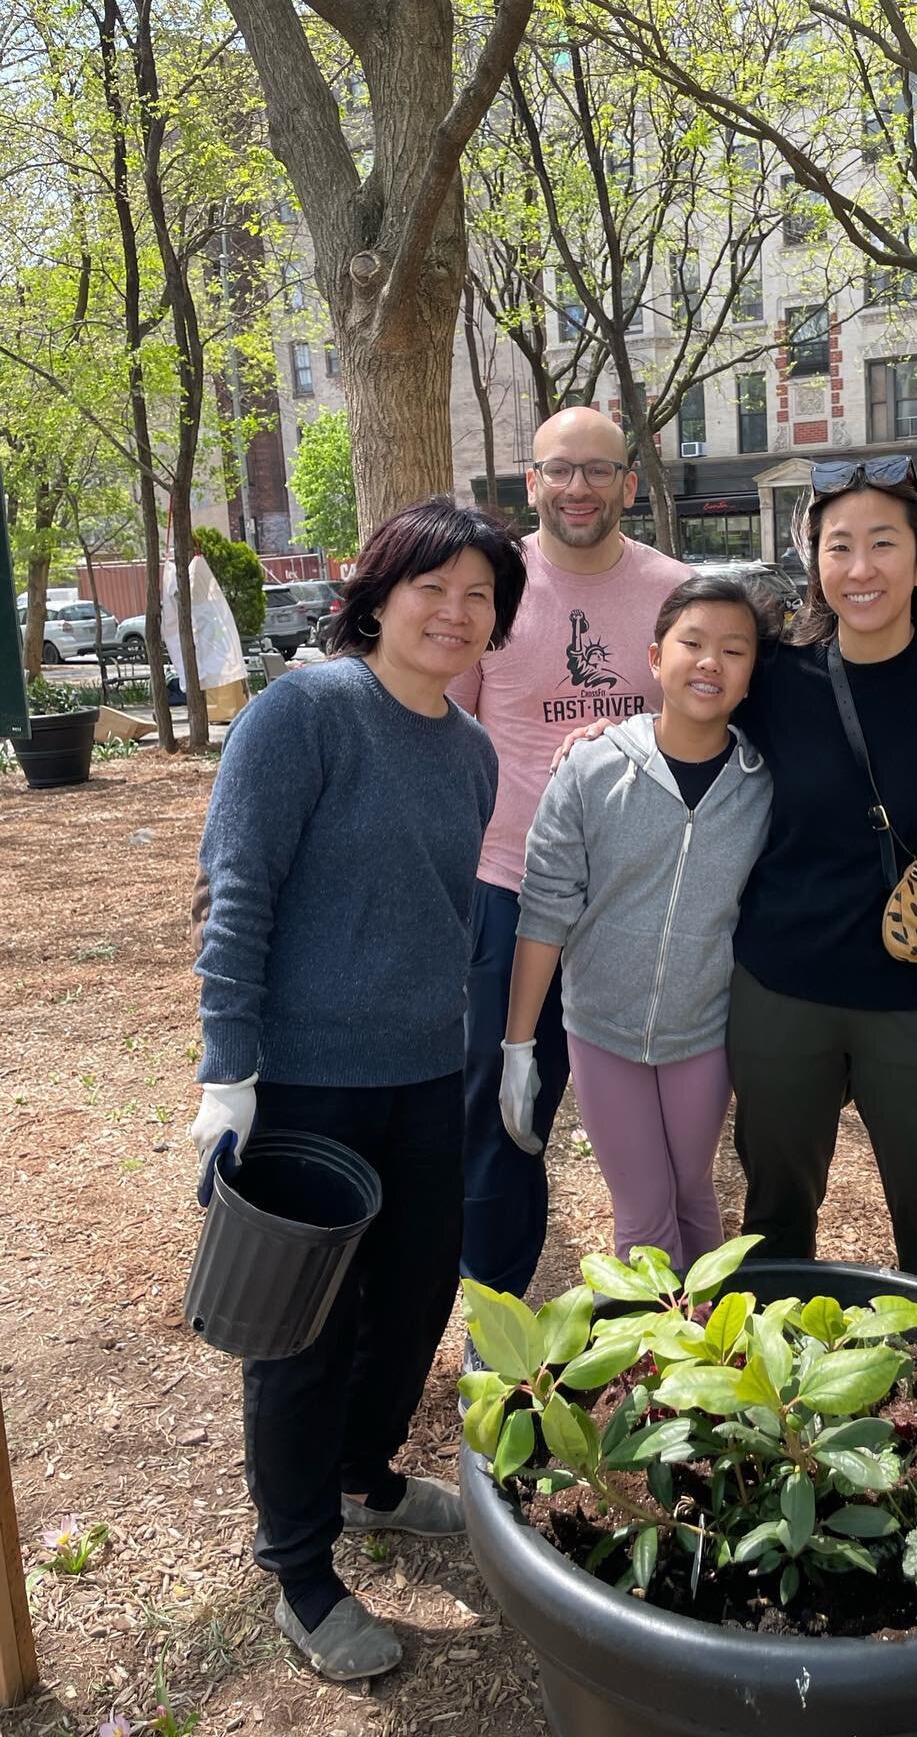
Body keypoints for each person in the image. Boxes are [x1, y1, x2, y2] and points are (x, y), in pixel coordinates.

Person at [189, 498, 528, 1680]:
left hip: (431, 1076)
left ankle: (364, 1476)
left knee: (416, 1301)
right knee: (301, 1338)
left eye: (479, 595)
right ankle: (300, 1566)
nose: (454, 611)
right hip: (307, 1090)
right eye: (432, 585)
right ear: (379, 594)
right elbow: (238, 893)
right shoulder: (304, 715)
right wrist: (228, 1073)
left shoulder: (471, 752)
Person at [727, 455, 917, 1290]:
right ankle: (767, 1399)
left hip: (914, 997)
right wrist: (599, 740)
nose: (860, 569)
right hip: (780, 988)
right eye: (839, 547)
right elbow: (679, 731)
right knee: (775, 1213)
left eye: (883, 544)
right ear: (814, 564)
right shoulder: (773, 680)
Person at [447, 407, 690, 1292]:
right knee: (500, 1114)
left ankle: (671, 1319)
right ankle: (496, 1322)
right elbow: (449, 727)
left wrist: (631, 735)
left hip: (644, 895)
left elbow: (716, 718)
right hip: (508, 891)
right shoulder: (486, 584)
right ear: (532, 482)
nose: (578, 488)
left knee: (666, 1120)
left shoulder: (677, 589)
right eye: (560, 470)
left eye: (598, 470)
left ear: (629, 482)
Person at [503, 576, 774, 1268]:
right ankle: (650, 1369)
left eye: (734, 650)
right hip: (602, 1032)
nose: (710, 662)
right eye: (693, 643)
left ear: (751, 675)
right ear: (656, 658)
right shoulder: (593, 770)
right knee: (646, 1213)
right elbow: (545, 908)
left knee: (692, 1196)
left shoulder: (764, 785)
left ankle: (716, 1358)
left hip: (703, 1032)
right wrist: (517, 1046)